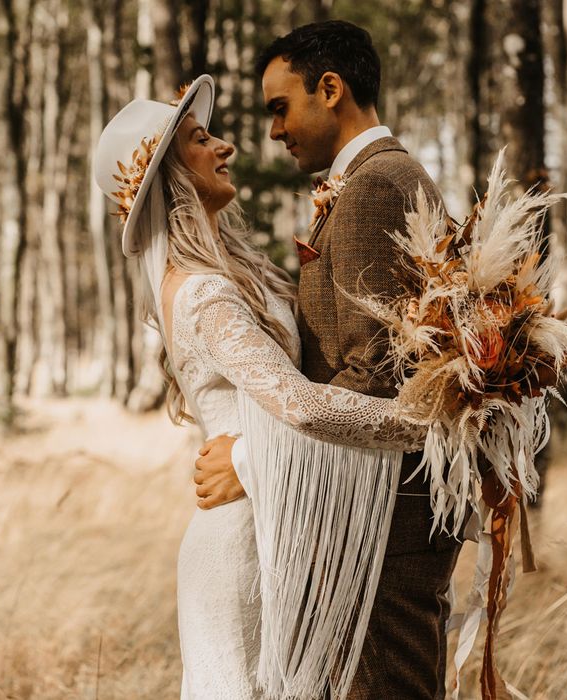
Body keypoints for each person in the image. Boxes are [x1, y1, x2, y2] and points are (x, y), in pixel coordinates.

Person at [93, 75, 428, 699]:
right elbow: (296, 404)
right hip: (242, 544)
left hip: (282, 520)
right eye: (200, 139)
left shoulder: (241, 271)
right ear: (170, 176)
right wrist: (432, 419)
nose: (225, 147)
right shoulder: (201, 292)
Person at [197, 21, 463, 700]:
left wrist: (253, 461)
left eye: (279, 108)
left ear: (331, 89)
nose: (274, 131)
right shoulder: (375, 180)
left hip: (390, 513)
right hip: (375, 505)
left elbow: (371, 375)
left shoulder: (376, 187)